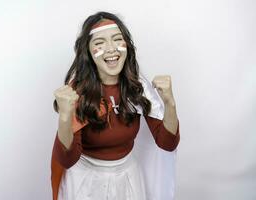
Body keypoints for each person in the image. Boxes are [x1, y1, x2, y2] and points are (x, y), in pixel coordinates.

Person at [51, 11, 180, 200]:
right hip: (85, 183)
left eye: (117, 39)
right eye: (99, 43)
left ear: (126, 45)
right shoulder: (78, 92)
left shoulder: (138, 87)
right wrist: (64, 116)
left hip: (128, 178)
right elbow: (67, 159)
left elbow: (167, 143)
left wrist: (170, 103)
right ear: (88, 52)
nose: (111, 49)